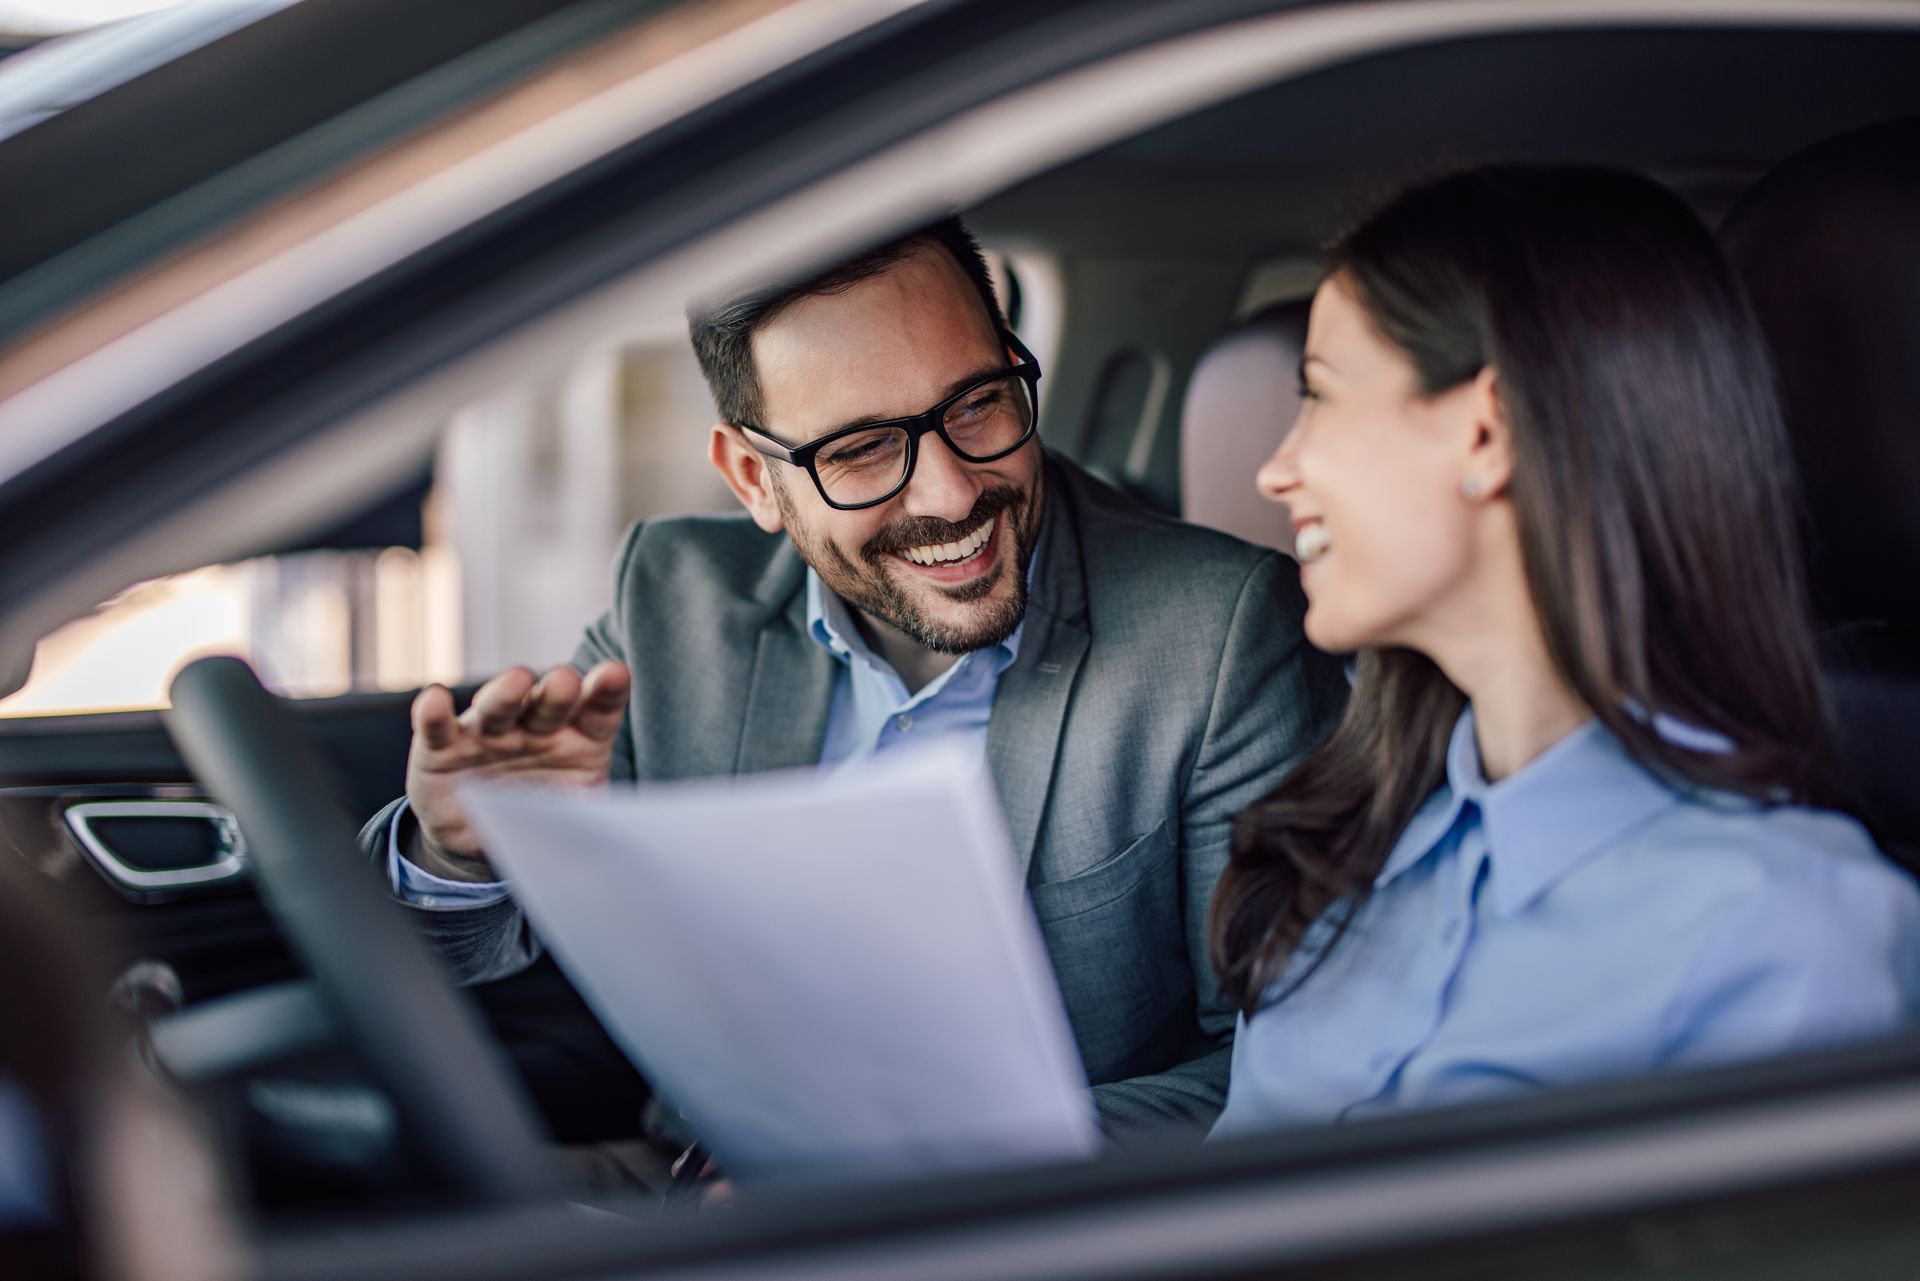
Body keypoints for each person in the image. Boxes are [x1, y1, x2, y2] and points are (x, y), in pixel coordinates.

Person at [361, 217, 1348, 1143]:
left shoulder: (1217, 635)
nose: (953, 492)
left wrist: (917, 1176)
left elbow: (1281, 1071)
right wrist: (463, 856)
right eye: (864, 448)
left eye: (979, 403)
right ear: (753, 481)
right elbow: (467, 978)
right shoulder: (673, 604)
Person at [1207, 166, 1920, 1135]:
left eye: (1319, 396)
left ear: (1487, 430)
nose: (1274, 469)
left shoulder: (1790, 931)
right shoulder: (1349, 847)